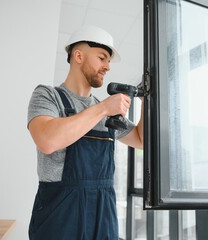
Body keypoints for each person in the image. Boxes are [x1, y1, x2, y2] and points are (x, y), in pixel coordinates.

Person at [27, 25, 144, 239]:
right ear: (78, 56)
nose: (107, 66)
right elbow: (47, 140)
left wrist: (147, 101)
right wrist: (102, 109)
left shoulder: (108, 111)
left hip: (103, 213)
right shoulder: (47, 96)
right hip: (60, 216)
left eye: (108, 61)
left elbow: (140, 140)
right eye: (102, 58)